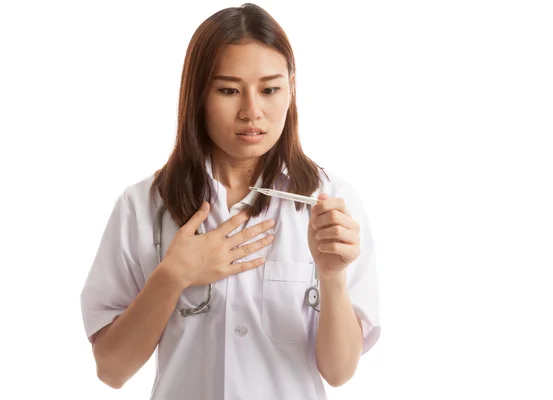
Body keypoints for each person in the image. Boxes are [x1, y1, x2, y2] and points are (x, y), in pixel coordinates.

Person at [80, 3, 380, 399]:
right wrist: (172, 277)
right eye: (228, 90)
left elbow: (340, 372)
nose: (252, 111)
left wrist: (332, 276)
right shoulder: (142, 206)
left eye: (270, 89)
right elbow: (112, 370)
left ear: (292, 89)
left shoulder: (331, 203)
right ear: (197, 95)